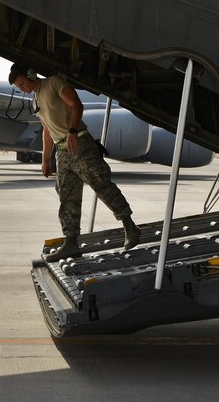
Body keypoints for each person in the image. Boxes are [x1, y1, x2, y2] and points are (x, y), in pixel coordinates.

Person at [9, 63, 140, 261]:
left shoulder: (53, 83)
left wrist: (72, 132)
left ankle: (130, 227)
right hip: (62, 151)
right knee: (66, 197)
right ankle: (71, 243)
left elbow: (76, 105)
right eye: (18, 87)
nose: (22, 89)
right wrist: (45, 159)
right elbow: (46, 130)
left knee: (101, 185)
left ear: (30, 74)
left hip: (79, 143)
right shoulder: (35, 100)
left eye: (22, 84)